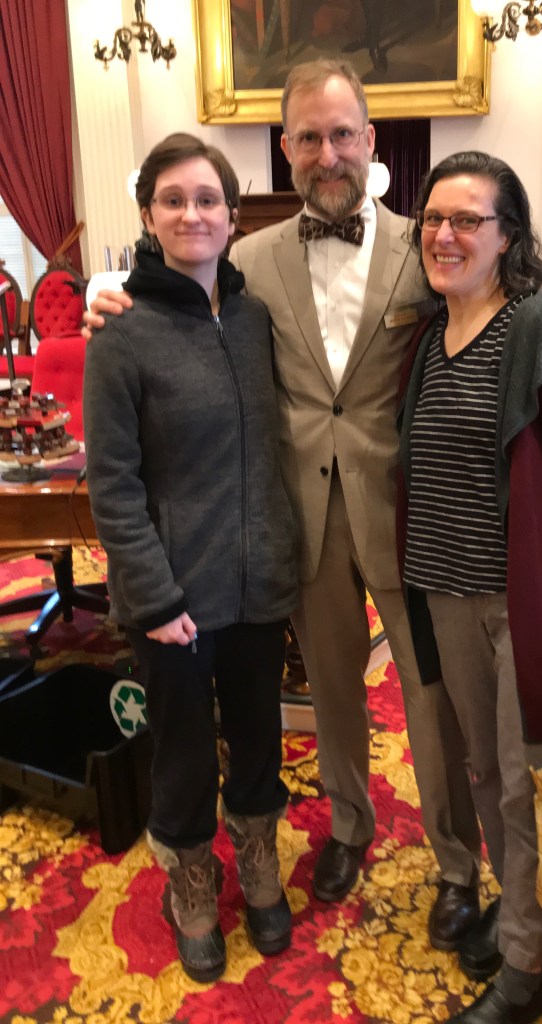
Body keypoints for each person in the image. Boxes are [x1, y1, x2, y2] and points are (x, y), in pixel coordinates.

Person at [83, 59, 542, 954]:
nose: (327, 153)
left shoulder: (432, 241)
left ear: (370, 141)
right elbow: (179, 292)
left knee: (432, 701)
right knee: (331, 693)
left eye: (342, 135)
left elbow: (513, 313)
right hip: (295, 520)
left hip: (413, 516)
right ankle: (347, 825)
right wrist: (107, 295)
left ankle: (455, 863)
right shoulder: (249, 260)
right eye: (308, 137)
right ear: (285, 148)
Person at [398, 151, 542, 1023]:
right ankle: (518, 907)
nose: (445, 235)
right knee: (488, 775)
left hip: (522, 605)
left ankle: (526, 972)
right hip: (444, 596)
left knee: (529, 780)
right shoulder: (427, 338)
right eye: (434, 219)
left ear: (507, 236)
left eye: (468, 220)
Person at [82, 134, 298, 983]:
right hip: (170, 594)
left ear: (233, 216)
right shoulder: (121, 332)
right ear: (148, 215)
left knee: (258, 737)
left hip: (259, 581)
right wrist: (154, 595)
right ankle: (193, 883)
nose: (191, 214)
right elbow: (114, 484)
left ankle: (259, 856)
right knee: (181, 753)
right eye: (172, 200)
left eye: (207, 199)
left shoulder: (254, 319)